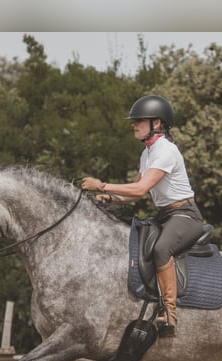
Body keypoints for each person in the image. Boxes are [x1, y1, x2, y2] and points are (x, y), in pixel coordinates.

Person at [82, 95, 204, 337]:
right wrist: (111, 198)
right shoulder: (146, 154)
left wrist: (102, 186)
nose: (133, 124)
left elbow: (139, 189)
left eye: (139, 120)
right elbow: (134, 196)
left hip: (185, 216)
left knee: (161, 249)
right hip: (166, 215)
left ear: (156, 123)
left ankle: (169, 312)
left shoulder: (166, 151)